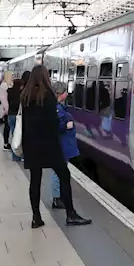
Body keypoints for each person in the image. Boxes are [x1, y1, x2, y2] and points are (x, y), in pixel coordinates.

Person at [21, 65, 90, 229]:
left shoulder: (25, 96)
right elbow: (53, 123)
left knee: (35, 182)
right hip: (49, 145)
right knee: (64, 176)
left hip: (31, 144)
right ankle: (71, 214)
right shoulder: (49, 96)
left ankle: (36, 218)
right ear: (45, 77)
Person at [49, 81, 77, 210]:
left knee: (59, 171)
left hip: (60, 144)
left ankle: (58, 197)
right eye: (65, 92)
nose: (67, 94)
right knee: (58, 172)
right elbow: (57, 126)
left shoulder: (56, 106)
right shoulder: (57, 108)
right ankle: (57, 198)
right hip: (61, 145)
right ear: (61, 94)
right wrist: (66, 125)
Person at [6, 71, 27, 159]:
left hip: (10, 115)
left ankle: (15, 156)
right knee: (19, 135)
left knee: (14, 135)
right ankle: (20, 155)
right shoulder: (22, 93)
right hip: (19, 116)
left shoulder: (9, 91)